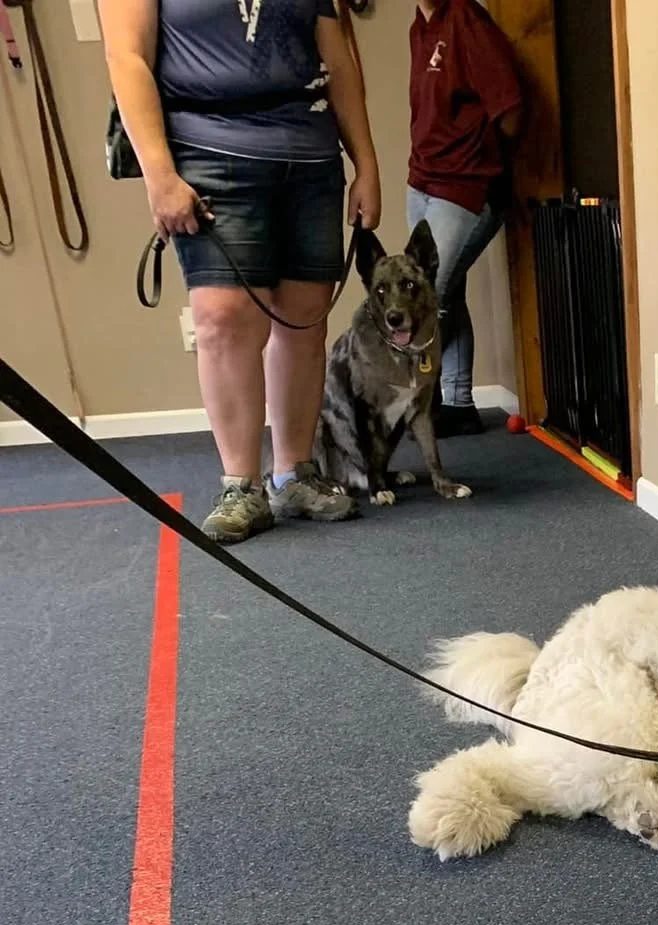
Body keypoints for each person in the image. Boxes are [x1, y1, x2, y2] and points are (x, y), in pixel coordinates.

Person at [102, 0, 382, 543]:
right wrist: (160, 176)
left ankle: (294, 474)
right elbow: (127, 56)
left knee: (305, 317)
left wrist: (365, 162)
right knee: (223, 318)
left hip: (309, 150)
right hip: (207, 145)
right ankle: (241, 485)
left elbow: (338, 59)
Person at [407, 0, 522, 437]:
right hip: (422, 180)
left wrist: (480, 158)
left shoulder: (467, 20)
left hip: (466, 185)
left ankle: (422, 404)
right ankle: (458, 405)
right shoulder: (419, 26)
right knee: (447, 295)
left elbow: (510, 110)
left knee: (424, 298)